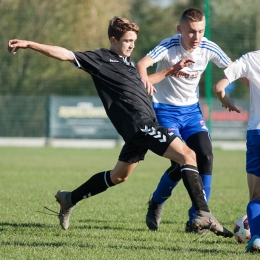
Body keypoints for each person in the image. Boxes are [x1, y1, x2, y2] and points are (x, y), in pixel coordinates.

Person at [7, 16, 233, 238]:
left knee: (118, 176)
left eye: (134, 41)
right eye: (127, 41)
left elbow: (142, 84)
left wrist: (170, 71)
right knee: (188, 155)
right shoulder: (101, 59)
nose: (132, 45)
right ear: (113, 40)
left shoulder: (128, 62)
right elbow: (66, 54)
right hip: (141, 126)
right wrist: (30, 44)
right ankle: (203, 214)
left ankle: (69, 199)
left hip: (140, 130)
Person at [137, 7, 232, 233]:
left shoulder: (208, 47)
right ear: (179, 29)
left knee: (206, 156)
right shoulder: (169, 46)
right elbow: (141, 64)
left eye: (200, 31)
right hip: (165, 110)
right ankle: (156, 202)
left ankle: (197, 219)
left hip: (191, 112)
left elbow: (234, 68)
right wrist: (144, 83)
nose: (196, 37)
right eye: (190, 31)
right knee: (181, 161)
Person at [214, 50, 260, 252]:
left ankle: (256, 238)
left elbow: (219, 87)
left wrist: (226, 101)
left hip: (257, 133)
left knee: (256, 196)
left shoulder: (252, 58)